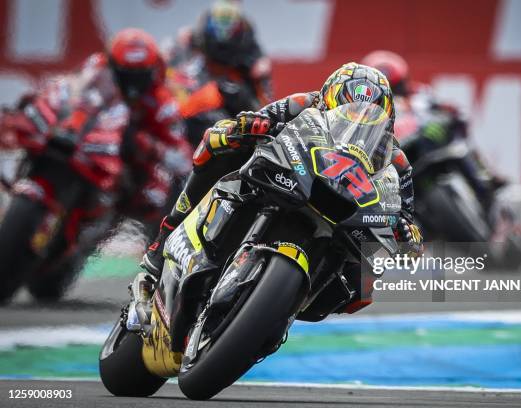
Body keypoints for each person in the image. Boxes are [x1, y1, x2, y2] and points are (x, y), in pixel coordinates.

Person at [142, 62, 423, 279]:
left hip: (345, 211)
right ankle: (165, 236)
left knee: (367, 273)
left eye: (368, 117)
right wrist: (247, 127)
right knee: (221, 143)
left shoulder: (396, 161)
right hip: (287, 174)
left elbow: (407, 223)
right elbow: (255, 119)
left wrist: (407, 232)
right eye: (348, 111)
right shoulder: (303, 103)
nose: (356, 122)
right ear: (327, 101)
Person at [3, 28, 191, 223]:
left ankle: (103, 222)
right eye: (123, 73)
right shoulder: (96, 67)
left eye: (138, 75)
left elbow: (183, 158)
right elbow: (70, 88)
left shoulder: (163, 102)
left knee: (153, 197)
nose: (130, 83)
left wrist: (149, 145)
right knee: (29, 104)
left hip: (120, 165)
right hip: (81, 139)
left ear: (152, 72)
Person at [362, 50, 506, 209]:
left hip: (430, 144)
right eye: (384, 89)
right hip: (399, 157)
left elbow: (454, 112)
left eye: (396, 86)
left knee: (459, 145)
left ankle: (486, 177)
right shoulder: (366, 115)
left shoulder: (421, 94)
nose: (392, 94)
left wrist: (448, 116)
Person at [163, 1, 273, 148]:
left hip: (231, 128)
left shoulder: (252, 59)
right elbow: (169, 94)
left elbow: (264, 108)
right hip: (186, 125)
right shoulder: (188, 46)